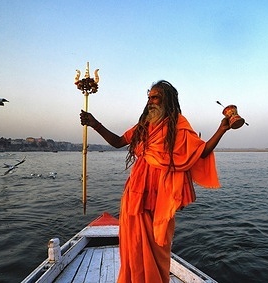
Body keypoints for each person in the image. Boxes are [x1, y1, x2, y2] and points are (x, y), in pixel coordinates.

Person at [80, 80, 231, 283]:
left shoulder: (178, 124)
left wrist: (222, 129)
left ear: (167, 99)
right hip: (136, 193)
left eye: (155, 97)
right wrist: (94, 123)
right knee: (133, 244)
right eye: (149, 97)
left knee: (159, 245)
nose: (150, 101)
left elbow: (200, 151)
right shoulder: (143, 126)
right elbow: (117, 142)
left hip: (161, 195)